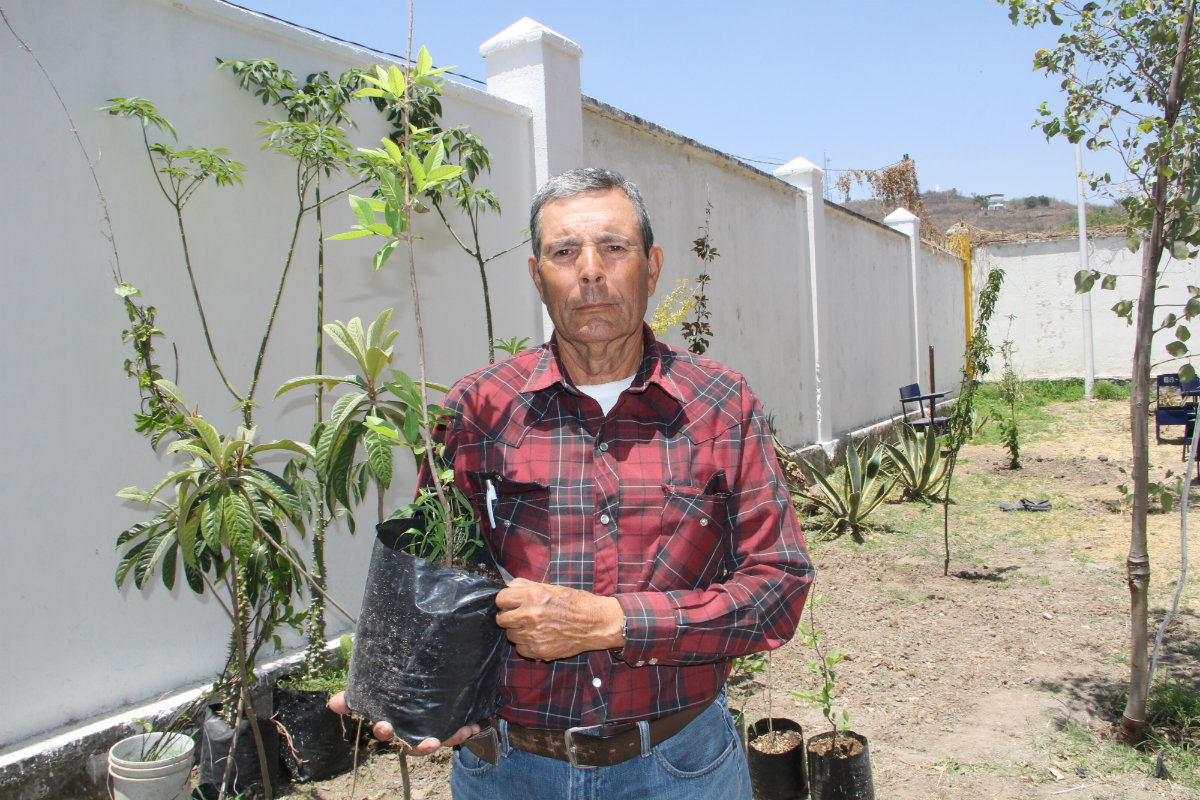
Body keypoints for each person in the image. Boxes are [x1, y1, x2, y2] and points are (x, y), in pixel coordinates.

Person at [331, 167, 813, 799]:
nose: (590, 271)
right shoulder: (478, 410)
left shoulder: (721, 405)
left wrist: (615, 621)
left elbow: (778, 587)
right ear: (538, 276)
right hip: (509, 771)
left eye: (614, 248)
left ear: (652, 265)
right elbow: (439, 578)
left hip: (680, 765)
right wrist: (408, 691)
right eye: (564, 252)